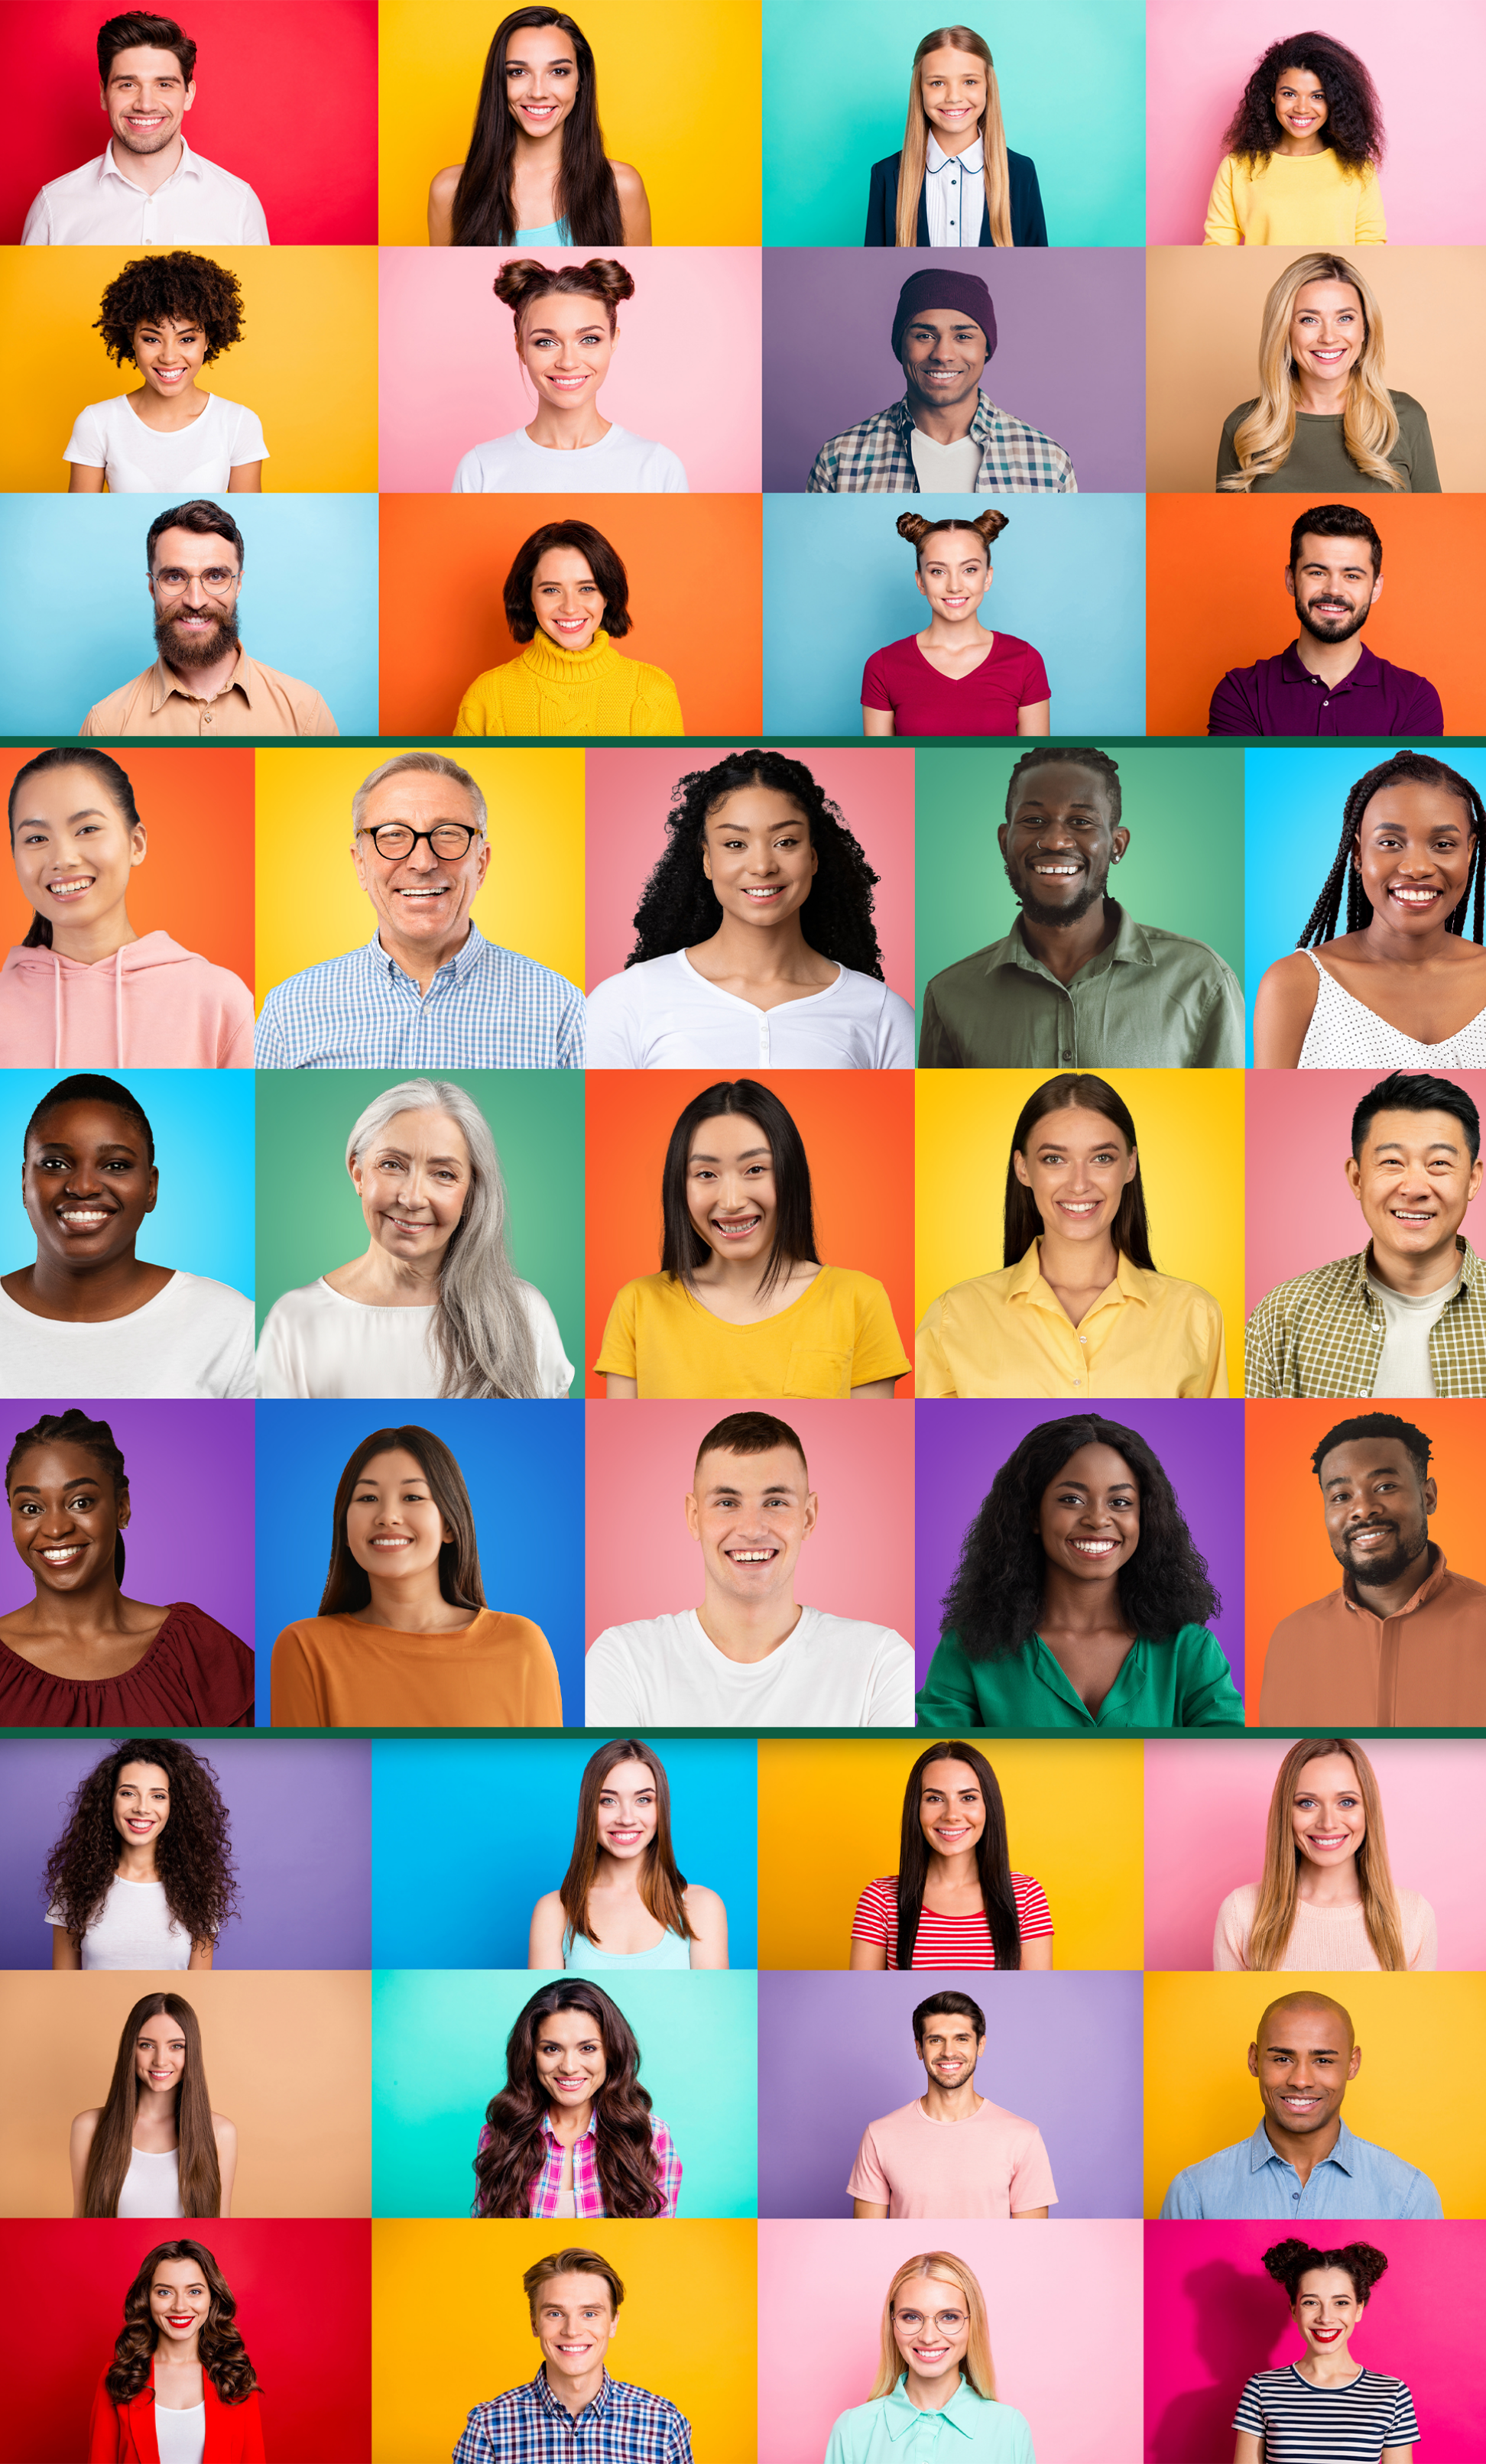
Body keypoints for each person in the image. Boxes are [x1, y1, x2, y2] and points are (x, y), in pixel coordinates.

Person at [253, 751, 585, 1069]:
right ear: (361, 865)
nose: (423, 862)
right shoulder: (290, 1009)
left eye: (448, 834)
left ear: (481, 863)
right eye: (394, 835)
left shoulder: (559, 1008)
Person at [586, 748, 914, 1068]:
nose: (761, 866)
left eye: (785, 842)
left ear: (813, 857)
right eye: (735, 844)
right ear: (707, 860)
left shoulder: (882, 1012)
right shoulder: (626, 1000)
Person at [914, 1413, 1243, 1733]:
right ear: (1032, 1516)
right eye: (1072, 1499)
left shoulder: (1190, 1649)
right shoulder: (968, 1648)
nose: (1098, 1519)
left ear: (1146, 1518)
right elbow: (942, 1761)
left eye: (1120, 1502)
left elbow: (1226, 1761)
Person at [917, 747, 1245, 1066]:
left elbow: (1227, 1119)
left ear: (1117, 845)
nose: (1056, 841)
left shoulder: (1201, 979)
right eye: (1033, 819)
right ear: (1005, 842)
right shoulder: (950, 995)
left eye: (1081, 821)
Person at [585, 1411, 913, 1728]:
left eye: (775, 1503)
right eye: (727, 1503)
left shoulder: (880, 1661)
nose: (752, 1529)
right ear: (694, 1517)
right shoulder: (623, 1658)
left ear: (808, 1517)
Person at [255, 1078, 574, 1399]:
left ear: (471, 1191)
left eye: (444, 1174)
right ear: (358, 1174)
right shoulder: (296, 1320)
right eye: (392, 1165)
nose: (413, 1198)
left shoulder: (526, 1313)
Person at [916, 1073, 1229, 1396]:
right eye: (1055, 1159)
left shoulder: (1195, 1315)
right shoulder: (952, 1318)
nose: (1079, 1184)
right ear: (1023, 1168)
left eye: (1101, 1158)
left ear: (1130, 1165)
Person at [594, 1081, 910, 1399]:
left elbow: (866, 1443)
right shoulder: (637, 1305)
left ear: (790, 1174)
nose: (731, 1201)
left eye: (755, 1169)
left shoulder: (858, 1300)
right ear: (679, 1187)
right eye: (706, 1174)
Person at [270, 1422, 562, 1728]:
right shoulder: (303, 1648)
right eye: (368, 1498)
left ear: (449, 1525)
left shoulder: (521, 1645)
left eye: (412, 1497)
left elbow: (543, 1775)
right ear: (344, 1529)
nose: (388, 1517)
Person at [0, 1075, 255, 1398]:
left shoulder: (231, 1324)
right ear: (25, 1183)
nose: (83, 1187)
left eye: (116, 1165)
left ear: (151, 1188)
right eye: (55, 1163)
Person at [1, 747, 253, 1068]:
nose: (62, 858)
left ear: (137, 844)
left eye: (87, 829)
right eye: (36, 839)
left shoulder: (217, 999)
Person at [0, 1409, 253, 1730]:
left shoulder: (196, 1648)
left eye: (81, 1502)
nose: (55, 1528)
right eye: (31, 1508)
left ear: (122, 1507)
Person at [1244, 1072, 1486, 1399]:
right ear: (1357, 1178)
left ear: (1472, 1180)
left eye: (1439, 1163)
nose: (1414, 1189)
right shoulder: (1284, 1315)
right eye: (1392, 1162)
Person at [1254, 754, 1486, 1068]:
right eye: (1390, 842)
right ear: (1359, 853)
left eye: (1443, 844)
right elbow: (1271, 1115)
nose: (1417, 868)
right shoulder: (1296, 985)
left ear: (1470, 851)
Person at [1258, 1412, 1486, 1728]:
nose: (1363, 1509)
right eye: (1341, 1496)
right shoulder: (1290, 1639)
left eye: (1385, 1486)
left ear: (1429, 1495)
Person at [1160, 1989, 1442, 2219]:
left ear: (1353, 2064)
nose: (1301, 2081)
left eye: (1323, 2060)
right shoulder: (1193, 2193)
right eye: (1282, 2059)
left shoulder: (1410, 2194)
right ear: (1254, 2060)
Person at [79, 499, 337, 737]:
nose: (195, 600)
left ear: (238, 585)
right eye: (174, 577)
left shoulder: (306, 713)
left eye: (215, 576)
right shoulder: (106, 724)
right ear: (152, 588)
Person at [810, 267, 1072, 494]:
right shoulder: (839, 460)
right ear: (901, 346)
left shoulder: (1048, 461)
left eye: (964, 337)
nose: (943, 355)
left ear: (987, 349)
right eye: (924, 335)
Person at [22, 12, 269, 247]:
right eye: (128, 84)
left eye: (164, 84)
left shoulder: (238, 204)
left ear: (188, 94)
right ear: (103, 95)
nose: (146, 104)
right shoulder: (54, 206)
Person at [1208, 504, 1443, 738]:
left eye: (1352, 576)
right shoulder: (1240, 691)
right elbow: (1237, 777)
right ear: (1291, 580)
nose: (1334, 590)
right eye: (1317, 573)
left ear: (1376, 588)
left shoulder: (1416, 698)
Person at [455, 258, 685, 492]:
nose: (568, 362)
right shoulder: (480, 468)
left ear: (613, 340)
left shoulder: (659, 467)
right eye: (545, 342)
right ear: (520, 347)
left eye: (589, 339)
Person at [429, 7, 651, 249]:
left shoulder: (622, 188)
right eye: (518, 72)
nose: (538, 92)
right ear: (499, 82)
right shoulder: (449, 191)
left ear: (580, 81)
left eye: (558, 71)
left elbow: (639, 285)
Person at [1214, 1736, 1437, 1972]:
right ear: (1285, 1813)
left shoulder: (1414, 1916)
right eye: (1308, 1803)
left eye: (1347, 1802)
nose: (1328, 1823)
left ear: (1368, 1810)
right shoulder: (1240, 1912)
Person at [1217, 255, 1436, 495]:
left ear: (1365, 328)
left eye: (1345, 318)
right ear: (1284, 331)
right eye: (1309, 320)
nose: (1329, 337)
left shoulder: (1406, 418)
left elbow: (1433, 528)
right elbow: (1228, 532)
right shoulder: (1244, 426)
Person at [452, 2247, 693, 2464]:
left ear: (613, 2323)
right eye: (555, 2313)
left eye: (589, 2313)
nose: (572, 2331)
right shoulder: (487, 2428)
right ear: (535, 2324)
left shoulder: (665, 2426)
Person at [454, 518, 683, 737]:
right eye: (551, 590)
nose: (570, 608)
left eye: (587, 589)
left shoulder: (654, 691)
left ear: (607, 596)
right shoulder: (486, 696)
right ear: (530, 599)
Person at [472, 1979, 680, 2218]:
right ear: (531, 2056)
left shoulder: (652, 2136)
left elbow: (658, 2242)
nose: (569, 2067)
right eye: (552, 2049)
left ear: (611, 2053)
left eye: (588, 2048)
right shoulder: (497, 2136)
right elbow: (486, 2237)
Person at [67, 250, 266, 494]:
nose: (169, 357)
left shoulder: (238, 423)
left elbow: (243, 521)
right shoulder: (97, 422)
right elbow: (82, 520)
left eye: (187, 339)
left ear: (207, 341)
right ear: (131, 340)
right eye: (152, 339)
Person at [848, 1989, 1056, 2219]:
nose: (948, 2052)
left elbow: (1028, 2242)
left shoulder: (1023, 2137)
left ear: (981, 2045)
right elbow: (870, 2236)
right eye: (936, 2040)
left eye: (962, 2039)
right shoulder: (879, 2135)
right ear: (919, 2048)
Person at [528, 1736, 728, 1973]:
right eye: (608, 1800)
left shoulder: (702, 1906)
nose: (626, 1819)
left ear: (660, 1808)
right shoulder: (554, 1911)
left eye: (643, 1799)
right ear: (589, 1809)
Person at [848, 1739, 1054, 1971]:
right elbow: (865, 1999)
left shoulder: (1026, 1896)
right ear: (916, 1808)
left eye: (968, 1798)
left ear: (989, 1807)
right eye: (935, 1798)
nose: (952, 1815)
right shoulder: (880, 1899)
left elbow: (1034, 2001)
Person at [44, 1733, 235, 1970]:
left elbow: (197, 1993)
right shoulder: (74, 1885)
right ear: (109, 1800)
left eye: (158, 1796)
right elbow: (64, 1989)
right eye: (128, 1793)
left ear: (175, 1807)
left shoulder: (201, 1888)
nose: (142, 1808)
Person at [824, 2250, 1036, 2463]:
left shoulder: (1010, 2430)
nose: (928, 2337)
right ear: (892, 2325)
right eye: (912, 2317)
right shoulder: (852, 2431)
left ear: (973, 2324)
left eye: (949, 2317)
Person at [862, 513, 1050, 739]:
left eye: (969, 569)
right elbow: (882, 766)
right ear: (921, 581)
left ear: (987, 578)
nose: (954, 586)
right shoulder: (883, 666)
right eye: (938, 571)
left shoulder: (1025, 660)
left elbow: (1034, 765)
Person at [1234, 2239, 1417, 2464]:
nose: (1326, 2318)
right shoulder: (1261, 2389)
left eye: (1341, 2303)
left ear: (1358, 2309)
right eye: (1311, 2303)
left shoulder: (1393, 2394)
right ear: (1294, 2310)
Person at [865, 25, 1046, 248]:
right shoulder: (886, 175)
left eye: (969, 81)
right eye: (937, 83)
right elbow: (874, 274)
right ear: (919, 90)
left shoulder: (1020, 173)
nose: (953, 97)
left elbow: (1037, 274)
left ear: (988, 86)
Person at [88, 2238, 265, 2463]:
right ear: (147, 2299)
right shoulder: (118, 2376)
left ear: (212, 2298)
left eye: (194, 2292)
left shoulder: (235, 2375)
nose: (180, 2306)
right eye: (164, 2292)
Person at [1203, 34, 1386, 248]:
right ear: (1272, 95)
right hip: (1262, 282)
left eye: (1317, 96)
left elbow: (1371, 245)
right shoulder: (1237, 167)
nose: (1302, 108)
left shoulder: (1358, 168)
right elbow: (1218, 249)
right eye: (1290, 94)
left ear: (1334, 102)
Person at [71, 1990, 235, 2219]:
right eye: (147, 2045)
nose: (160, 2060)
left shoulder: (221, 2133)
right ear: (131, 2049)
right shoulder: (88, 2127)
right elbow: (81, 2220)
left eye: (176, 2046)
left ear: (192, 2052)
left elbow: (221, 2224)